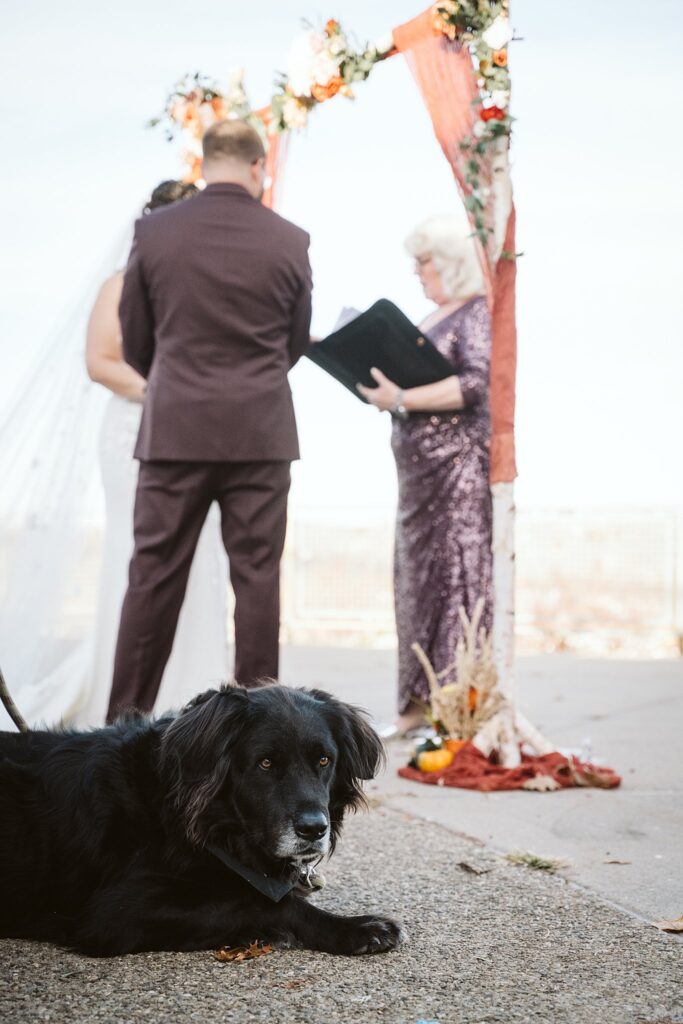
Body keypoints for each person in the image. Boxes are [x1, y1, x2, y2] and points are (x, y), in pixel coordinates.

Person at [107, 120, 312, 722]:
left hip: (175, 430)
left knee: (152, 578)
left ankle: (124, 724)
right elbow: (293, 342)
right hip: (261, 432)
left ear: (204, 163)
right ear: (258, 168)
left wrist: (176, 383)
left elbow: (135, 336)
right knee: (256, 583)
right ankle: (262, 734)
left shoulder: (154, 233)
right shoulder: (290, 240)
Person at [79, 181, 229, 726]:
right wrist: (167, 394)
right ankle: (128, 701)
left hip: (200, 438)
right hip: (134, 432)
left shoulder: (208, 288)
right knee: (139, 556)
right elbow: (100, 361)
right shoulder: (120, 285)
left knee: (204, 558)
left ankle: (200, 699)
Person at [358, 215, 493, 734]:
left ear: (452, 263)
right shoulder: (435, 316)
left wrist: (401, 398)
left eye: (424, 262)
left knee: (456, 580)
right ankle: (414, 704)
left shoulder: (475, 312)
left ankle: (458, 705)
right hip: (419, 481)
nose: (417, 273)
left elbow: (475, 383)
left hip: (456, 472)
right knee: (416, 585)